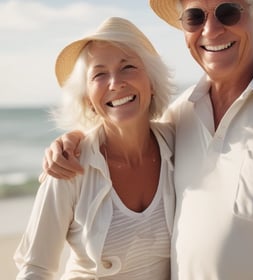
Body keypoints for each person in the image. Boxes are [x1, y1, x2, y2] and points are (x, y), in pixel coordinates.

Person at [41, 0, 253, 279]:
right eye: (194, 17)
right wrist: (74, 139)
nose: (211, 29)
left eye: (228, 12)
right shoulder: (180, 115)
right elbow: (125, 129)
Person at [14, 17, 176, 279]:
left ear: (152, 83)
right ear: (88, 99)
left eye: (128, 67)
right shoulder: (69, 165)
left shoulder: (180, 144)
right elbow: (36, 268)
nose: (115, 83)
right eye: (100, 74)